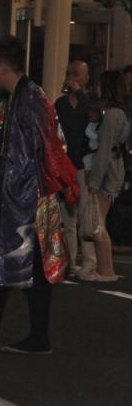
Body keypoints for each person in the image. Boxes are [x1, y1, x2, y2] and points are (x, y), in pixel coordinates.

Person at [0, 36, 78, 355]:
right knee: (0, 264)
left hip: (28, 198)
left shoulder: (31, 98)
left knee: (33, 267)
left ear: (2, 66)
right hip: (13, 195)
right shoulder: (16, 98)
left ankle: (36, 336)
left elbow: (49, 147)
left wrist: (55, 185)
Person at [79, 70, 129, 282]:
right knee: (99, 223)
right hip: (113, 169)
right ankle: (102, 269)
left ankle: (106, 271)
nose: (97, 88)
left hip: (107, 172)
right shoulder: (120, 113)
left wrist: (94, 181)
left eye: (100, 84)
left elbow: (104, 149)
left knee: (98, 223)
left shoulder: (113, 115)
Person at [55, 60, 96, 276]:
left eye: (78, 74)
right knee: (68, 216)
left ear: (86, 77)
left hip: (84, 165)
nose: (73, 78)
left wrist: (80, 93)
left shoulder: (90, 102)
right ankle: (70, 263)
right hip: (65, 166)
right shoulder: (60, 104)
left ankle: (89, 262)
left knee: (86, 216)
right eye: (70, 74)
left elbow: (94, 118)